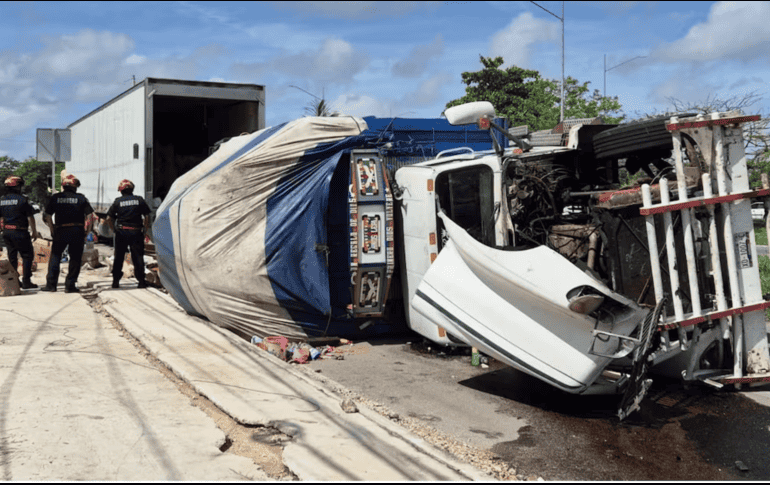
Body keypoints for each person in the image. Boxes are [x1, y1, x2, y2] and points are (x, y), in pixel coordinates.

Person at [41, 174, 94, 293]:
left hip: (60, 230)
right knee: (75, 258)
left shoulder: (56, 197)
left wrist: (52, 229)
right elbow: (90, 216)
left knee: (55, 256)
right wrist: (88, 231)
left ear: (63, 186)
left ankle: (51, 285)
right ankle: (70, 286)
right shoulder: (81, 198)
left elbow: (47, 216)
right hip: (77, 230)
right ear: (75, 187)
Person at [106, 179, 150, 289]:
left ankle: (115, 281)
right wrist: (145, 229)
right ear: (132, 189)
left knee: (119, 257)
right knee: (138, 257)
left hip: (121, 232)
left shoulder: (118, 201)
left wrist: (114, 230)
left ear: (120, 191)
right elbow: (147, 216)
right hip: (136, 232)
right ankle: (141, 281)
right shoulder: (139, 200)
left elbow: (108, 218)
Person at [0, 176, 41, 289]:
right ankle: (26, 281)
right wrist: (34, 231)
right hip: (20, 232)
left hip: (7, 232)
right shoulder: (22, 199)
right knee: (27, 256)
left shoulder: (2, 200)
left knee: (12, 257)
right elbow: (30, 217)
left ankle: (15, 281)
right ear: (18, 187)